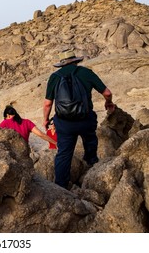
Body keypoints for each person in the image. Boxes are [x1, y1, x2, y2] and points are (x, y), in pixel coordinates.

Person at [43, 49, 115, 189]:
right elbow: (107, 92)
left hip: (64, 123)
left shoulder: (54, 77)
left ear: (61, 64)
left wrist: (45, 119)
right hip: (85, 119)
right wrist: (108, 102)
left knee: (64, 154)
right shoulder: (86, 73)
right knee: (90, 143)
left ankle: (61, 187)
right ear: (75, 61)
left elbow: (47, 103)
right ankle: (92, 170)